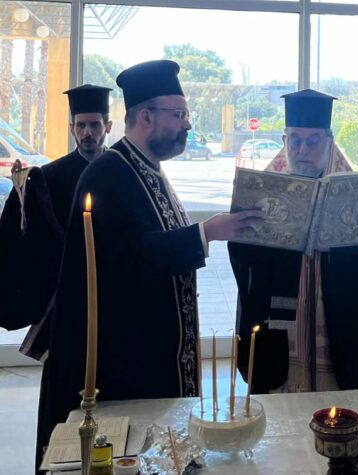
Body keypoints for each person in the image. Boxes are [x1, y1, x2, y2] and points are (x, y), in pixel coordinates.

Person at [35, 60, 262, 470]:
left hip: (152, 353)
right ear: (145, 117)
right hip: (124, 362)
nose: (187, 125)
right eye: (179, 115)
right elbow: (132, 256)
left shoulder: (147, 170)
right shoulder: (110, 174)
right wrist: (207, 232)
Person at [228, 89, 358, 393]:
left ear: (329, 143)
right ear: (284, 141)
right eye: (295, 140)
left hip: (331, 307)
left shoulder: (353, 193)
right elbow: (243, 252)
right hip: (282, 308)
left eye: (313, 141)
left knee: (335, 393)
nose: (303, 150)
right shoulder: (264, 192)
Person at [0, 85, 112, 355]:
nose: (87, 132)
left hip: (112, 283)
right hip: (64, 290)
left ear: (107, 126)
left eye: (94, 125)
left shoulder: (121, 172)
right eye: (81, 125)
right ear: (72, 128)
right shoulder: (49, 177)